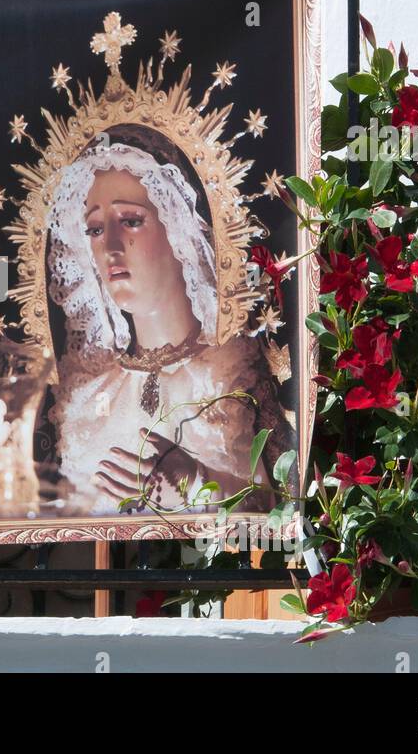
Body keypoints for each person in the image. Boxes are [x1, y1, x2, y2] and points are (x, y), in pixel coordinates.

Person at [46, 138, 291, 516]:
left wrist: (198, 485)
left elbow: (288, 515)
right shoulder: (85, 394)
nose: (110, 246)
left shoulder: (231, 373)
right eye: (94, 229)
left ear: (179, 226)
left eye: (130, 221)